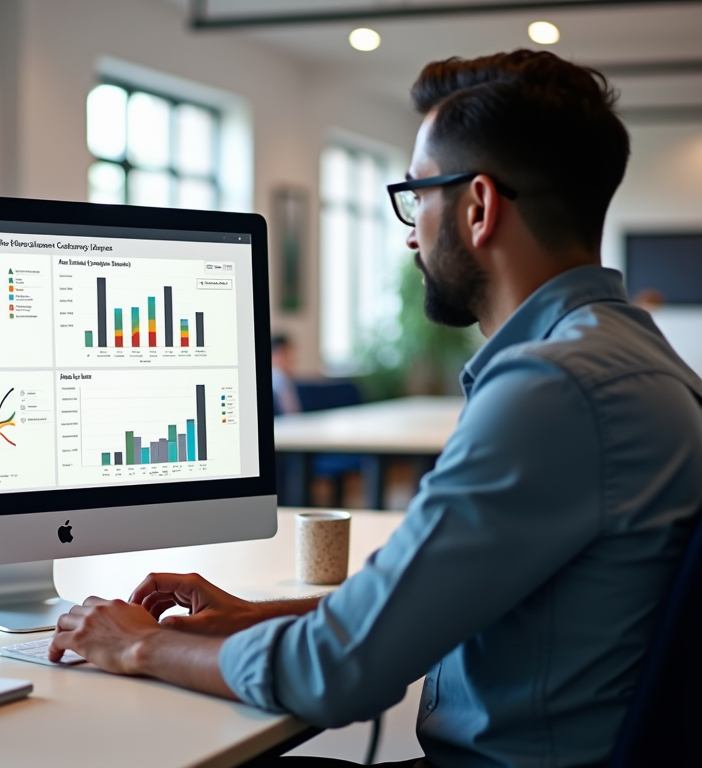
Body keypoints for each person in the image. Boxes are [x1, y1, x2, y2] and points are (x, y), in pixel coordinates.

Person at [48, 50, 702, 768]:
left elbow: (336, 676)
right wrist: (253, 617)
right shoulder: (632, 359)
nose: (410, 231)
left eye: (417, 194)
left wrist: (139, 644)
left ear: (478, 207)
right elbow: (444, 600)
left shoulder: (553, 391)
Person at [271, 334, 302, 416]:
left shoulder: (288, 380)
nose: (292, 359)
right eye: (288, 354)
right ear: (275, 355)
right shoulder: (276, 381)